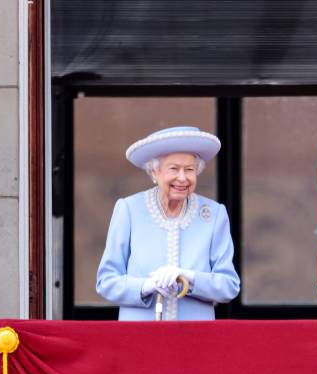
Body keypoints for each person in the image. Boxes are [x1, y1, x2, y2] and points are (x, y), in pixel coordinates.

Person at [96, 126, 240, 320]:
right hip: (139, 336)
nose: (182, 178)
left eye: (189, 169)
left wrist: (188, 277)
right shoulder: (129, 209)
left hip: (195, 336)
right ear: (154, 172)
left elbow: (229, 286)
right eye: (174, 169)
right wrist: (145, 286)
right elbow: (106, 282)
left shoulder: (214, 214)